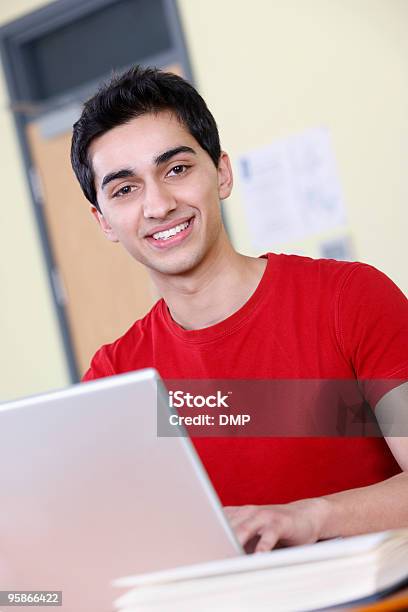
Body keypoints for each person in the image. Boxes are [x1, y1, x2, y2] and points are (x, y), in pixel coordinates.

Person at [71, 65, 408, 552]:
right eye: (126, 188)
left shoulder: (351, 299)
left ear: (222, 173)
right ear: (103, 221)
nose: (159, 204)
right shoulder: (113, 379)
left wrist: (310, 517)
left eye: (177, 169)